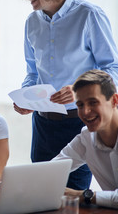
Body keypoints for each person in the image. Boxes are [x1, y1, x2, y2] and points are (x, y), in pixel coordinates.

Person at [9, 0, 118, 190]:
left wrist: (79, 92)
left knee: (74, 199)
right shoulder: (31, 22)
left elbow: (112, 69)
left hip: (79, 123)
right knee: (40, 193)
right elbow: (32, 71)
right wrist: (27, 96)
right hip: (42, 125)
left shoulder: (89, 15)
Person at [52, 69, 118, 209]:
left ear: (114, 100)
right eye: (80, 105)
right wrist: (7, 190)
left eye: (93, 102)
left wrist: (82, 195)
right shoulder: (86, 138)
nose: (85, 112)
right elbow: (49, 171)